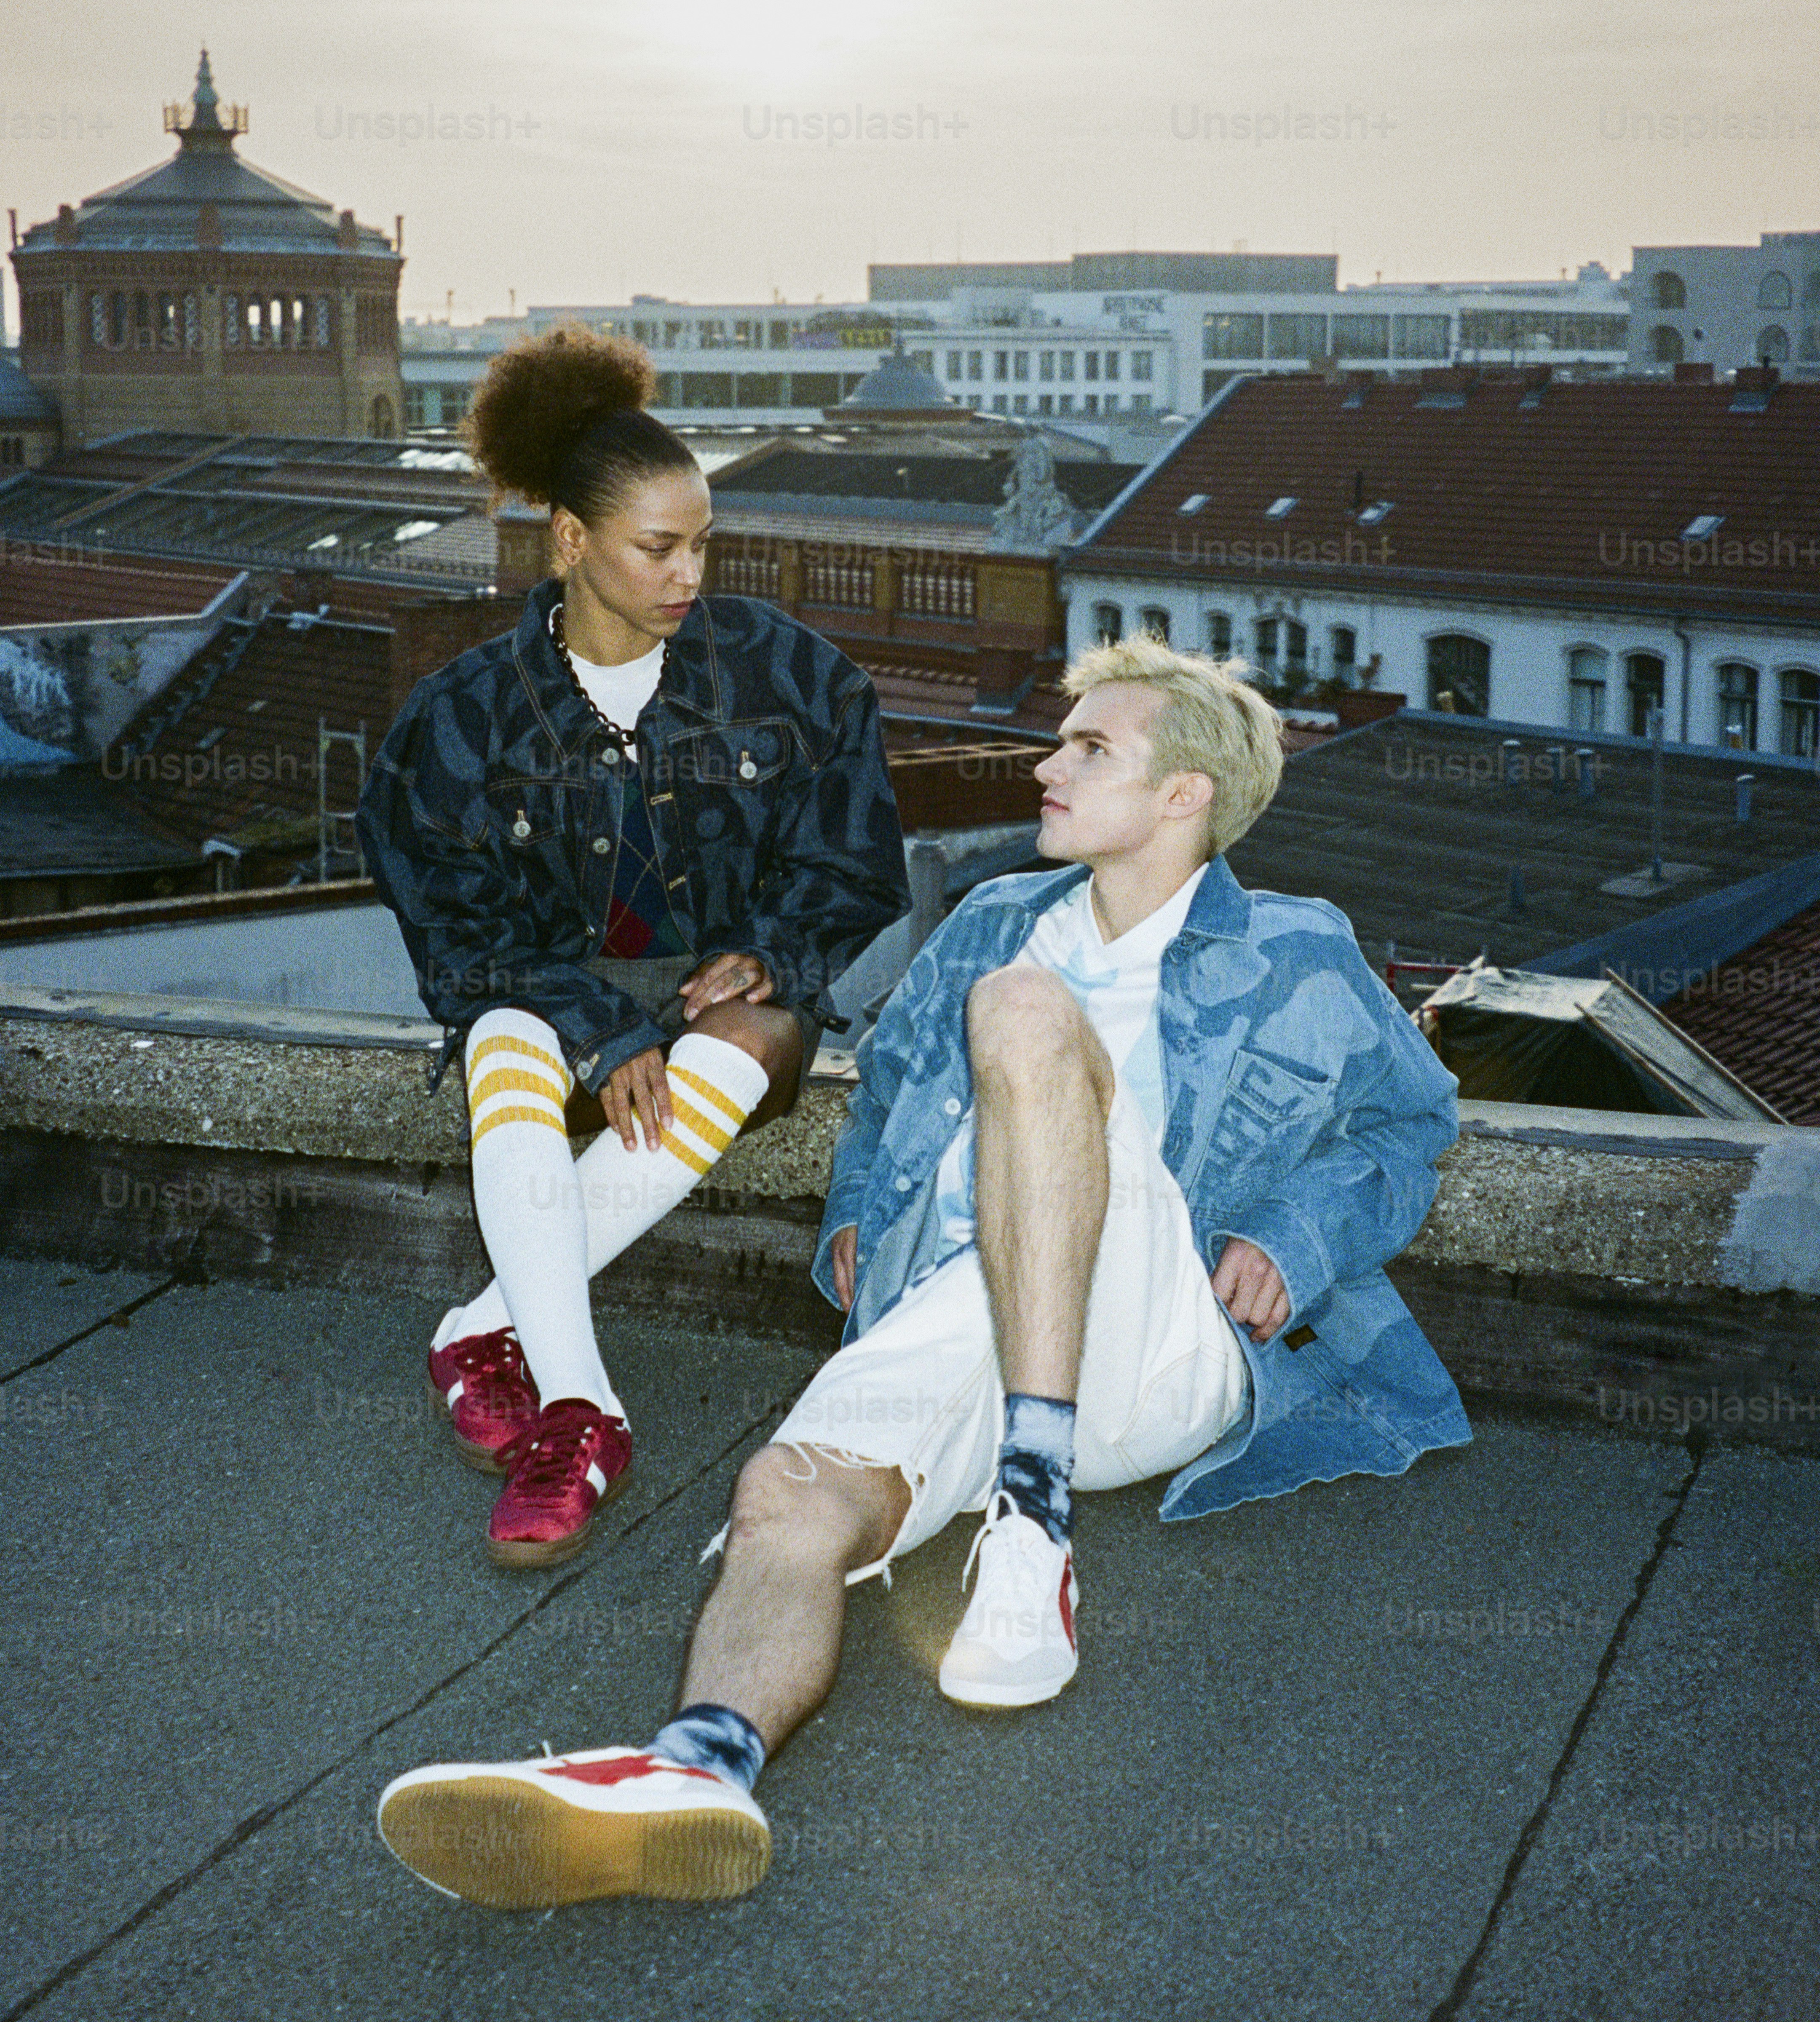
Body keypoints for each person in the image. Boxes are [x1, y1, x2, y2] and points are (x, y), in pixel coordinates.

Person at [375, 635, 1469, 1906]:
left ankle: (1031, 1522)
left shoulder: (1297, 951)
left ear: (1185, 797)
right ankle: (698, 1765)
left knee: (1023, 1015)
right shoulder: (995, 918)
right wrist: (855, 1206)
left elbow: (1409, 1126)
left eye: (1090, 749)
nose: (1047, 766)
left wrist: (1292, 1233)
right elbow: (889, 1090)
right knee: (786, 1493)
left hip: (1154, 1338)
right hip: (966, 1302)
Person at [356, 327, 910, 1567]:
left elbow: (855, 854)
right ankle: (584, 1408)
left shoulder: (788, 675)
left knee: (752, 1037)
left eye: (700, 541)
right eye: (658, 547)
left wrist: (769, 951)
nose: (688, 573)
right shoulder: (465, 715)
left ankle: (489, 1324)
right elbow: (454, 926)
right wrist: (597, 1026)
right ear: (570, 541)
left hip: (723, 999)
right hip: (541, 989)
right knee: (504, 1034)